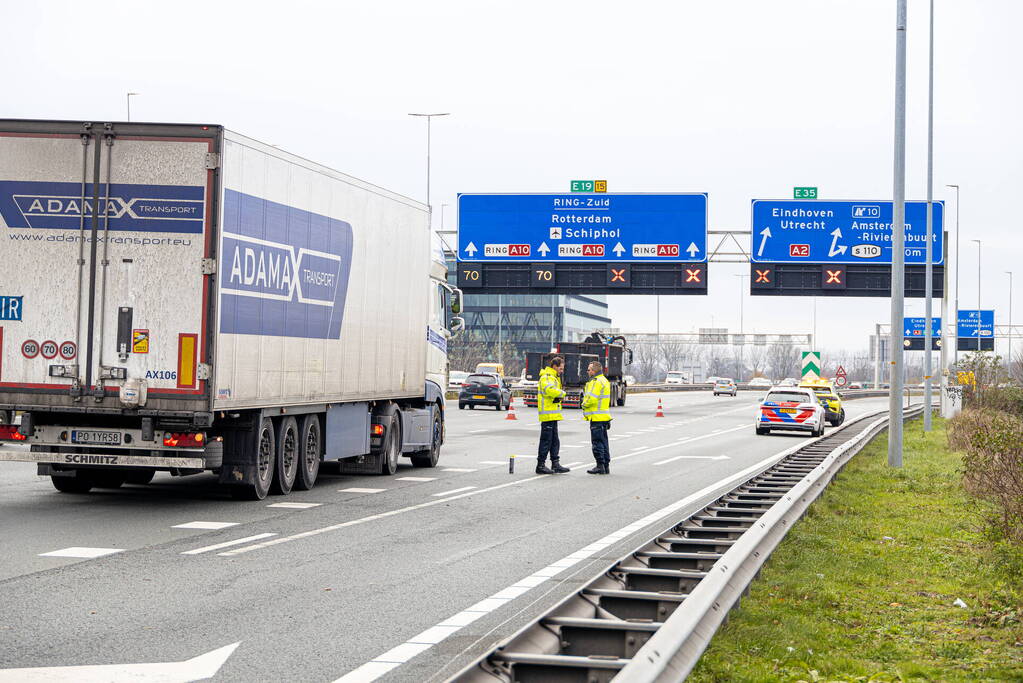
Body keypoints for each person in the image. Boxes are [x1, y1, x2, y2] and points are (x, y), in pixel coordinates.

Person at [536, 356, 570, 474]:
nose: (562, 371)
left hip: (553, 415)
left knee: (555, 441)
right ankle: (540, 465)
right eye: (560, 368)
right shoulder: (547, 377)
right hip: (547, 415)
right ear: (554, 366)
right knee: (546, 441)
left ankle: (555, 464)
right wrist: (562, 393)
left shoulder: (553, 377)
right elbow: (549, 390)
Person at [581, 360, 612, 474]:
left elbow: (591, 398)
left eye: (589, 369)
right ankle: (606, 465)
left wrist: (583, 404)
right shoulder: (604, 380)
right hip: (604, 417)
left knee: (597, 442)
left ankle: (600, 465)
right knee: (604, 442)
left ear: (594, 371)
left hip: (596, 417)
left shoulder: (596, 381)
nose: (587, 371)